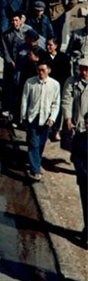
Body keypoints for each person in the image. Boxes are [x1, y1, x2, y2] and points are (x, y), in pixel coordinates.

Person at [61, 58, 88, 245]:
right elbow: (66, 100)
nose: (84, 72)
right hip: (79, 129)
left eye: (87, 69)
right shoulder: (73, 82)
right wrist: (68, 119)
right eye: (82, 69)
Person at [21, 59, 61, 181]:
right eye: (39, 70)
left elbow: (56, 103)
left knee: (41, 143)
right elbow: (25, 100)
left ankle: (35, 162)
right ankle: (35, 170)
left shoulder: (55, 85)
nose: (41, 73)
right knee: (33, 143)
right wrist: (23, 116)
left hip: (46, 119)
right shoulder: (30, 82)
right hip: (32, 117)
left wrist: (52, 118)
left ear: (48, 70)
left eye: (43, 70)